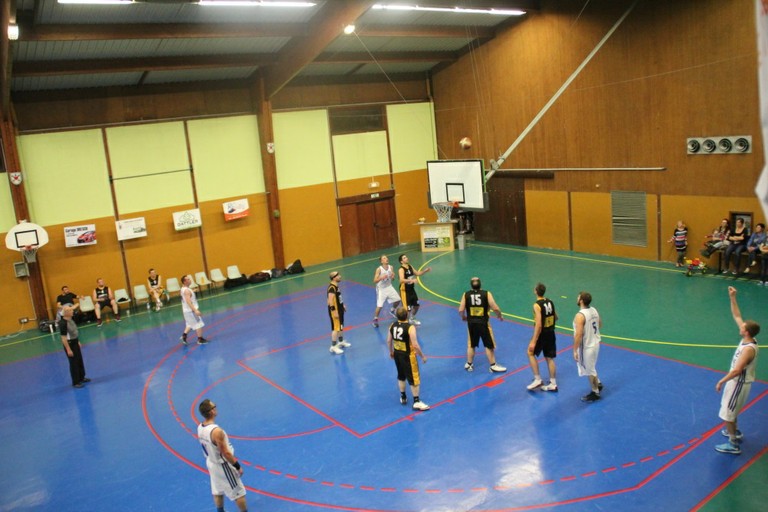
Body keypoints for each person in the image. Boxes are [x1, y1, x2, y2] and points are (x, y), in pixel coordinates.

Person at [714, 286, 760, 455]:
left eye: (743, 326)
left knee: (727, 414)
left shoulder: (748, 349)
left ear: (746, 332)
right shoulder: (749, 338)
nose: (740, 326)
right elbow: (737, 315)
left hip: (738, 383)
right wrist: (732, 297)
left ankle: (733, 443)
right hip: (738, 383)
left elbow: (737, 371)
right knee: (731, 410)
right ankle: (735, 431)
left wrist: (721, 381)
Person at [197, 399, 249, 512]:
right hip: (223, 466)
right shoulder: (217, 431)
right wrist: (237, 466)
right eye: (214, 406)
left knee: (217, 490)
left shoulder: (200, 427)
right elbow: (225, 452)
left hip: (211, 462)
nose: (216, 408)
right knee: (239, 492)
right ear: (211, 411)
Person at [458, 277, 507, 373]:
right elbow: (495, 308)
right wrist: (499, 315)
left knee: (471, 344)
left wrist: (463, 317)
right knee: (489, 345)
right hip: (483, 323)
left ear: (471, 285)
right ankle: (493, 366)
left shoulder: (466, 294)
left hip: (471, 323)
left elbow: (460, 310)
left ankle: (469, 364)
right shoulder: (486, 294)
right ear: (481, 284)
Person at [386, 307, 430, 411]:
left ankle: (403, 396)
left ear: (397, 316)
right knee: (414, 378)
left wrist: (391, 352)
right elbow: (415, 345)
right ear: (407, 315)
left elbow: (388, 340)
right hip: (408, 356)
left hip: (397, 354)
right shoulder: (410, 328)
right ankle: (416, 401)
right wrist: (422, 356)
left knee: (401, 376)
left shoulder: (392, 325)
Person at [573, 291, 604, 402]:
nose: (577, 298)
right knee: (592, 366)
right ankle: (598, 383)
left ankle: (595, 392)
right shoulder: (594, 310)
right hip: (596, 343)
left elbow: (579, 334)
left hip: (587, 346)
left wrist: (575, 350)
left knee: (590, 371)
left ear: (581, 300)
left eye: (578, 297)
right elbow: (600, 324)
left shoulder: (580, 316)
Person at [527, 283, 558, 391]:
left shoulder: (537, 305)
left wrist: (534, 341)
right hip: (551, 332)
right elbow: (556, 317)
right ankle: (553, 383)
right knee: (549, 358)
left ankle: (537, 379)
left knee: (530, 353)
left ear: (535, 291)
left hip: (542, 334)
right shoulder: (550, 301)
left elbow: (539, 324)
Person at [59, 306, 91, 389]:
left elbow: (74, 332)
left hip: (75, 341)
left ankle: (81, 377)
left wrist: (78, 341)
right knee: (73, 363)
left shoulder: (71, 320)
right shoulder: (63, 323)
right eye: (70, 310)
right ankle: (75, 381)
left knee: (79, 360)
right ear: (66, 313)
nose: (72, 311)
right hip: (70, 344)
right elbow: (64, 338)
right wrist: (68, 349)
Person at [398, 254, 431, 325]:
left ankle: (411, 318)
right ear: (401, 261)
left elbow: (417, 273)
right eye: (404, 258)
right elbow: (401, 280)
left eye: (406, 257)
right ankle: (405, 323)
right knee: (407, 309)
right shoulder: (401, 269)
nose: (406, 258)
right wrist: (412, 280)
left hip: (411, 290)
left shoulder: (410, 266)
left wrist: (425, 270)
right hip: (404, 291)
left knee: (416, 305)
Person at [372, 255, 402, 328]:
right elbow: (375, 280)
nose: (386, 259)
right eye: (384, 258)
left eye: (386, 258)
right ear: (381, 261)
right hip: (381, 289)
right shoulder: (379, 269)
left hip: (389, 287)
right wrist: (380, 277)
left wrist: (393, 277)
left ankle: (392, 310)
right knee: (380, 306)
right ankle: (375, 319)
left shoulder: (391, 267)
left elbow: (393, 277)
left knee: (398, 300)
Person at [180, 274, 208, 345]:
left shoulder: (183, 289)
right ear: (185, 282)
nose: (190, 280)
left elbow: (187, 295)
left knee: (190, 324)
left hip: (186, 311)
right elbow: (188, 301)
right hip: (191, 311)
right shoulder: (187, 291)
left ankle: (184, 336)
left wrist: (192, 291)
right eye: (188, 279)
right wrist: (195, 310)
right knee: (199, 324)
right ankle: (200, 339)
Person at [327, 271, 351, 354]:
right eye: (338, 275)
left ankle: (341, 342)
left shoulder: (336, 286)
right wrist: (334, 311)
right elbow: (330, 300)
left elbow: (338, 297)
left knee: (340, 326)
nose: (340, 276)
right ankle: (333, 346)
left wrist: (342, 304)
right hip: (335, 311)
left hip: (340, 309)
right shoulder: (331, 288)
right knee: (335, 328)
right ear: (334, 278)